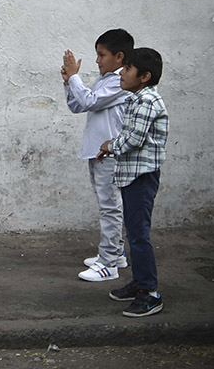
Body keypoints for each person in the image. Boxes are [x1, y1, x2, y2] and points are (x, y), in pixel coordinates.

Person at [97, 48, 169, 317]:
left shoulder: (147, 101)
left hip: (142, 177)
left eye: (127, 69)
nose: (122, 74)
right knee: (135, 232)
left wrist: (109, 145)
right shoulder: (137, 99)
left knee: (139, 235)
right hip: (132, 176)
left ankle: (150, 293)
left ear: (144, 76)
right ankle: (140, 283)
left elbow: (133, 140)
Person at [61, 28, 133, 282]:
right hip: (98, 152)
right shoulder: (106, 80)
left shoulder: (118, 82)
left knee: (110, 208)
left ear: (119, 56)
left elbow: (90, 101)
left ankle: (108, 263)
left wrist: (75, 78)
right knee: (109, 206)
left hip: (110, 155)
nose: (97, 60)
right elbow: (78, 105)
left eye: (102, 55)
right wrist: (69, 82)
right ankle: (117, 254)